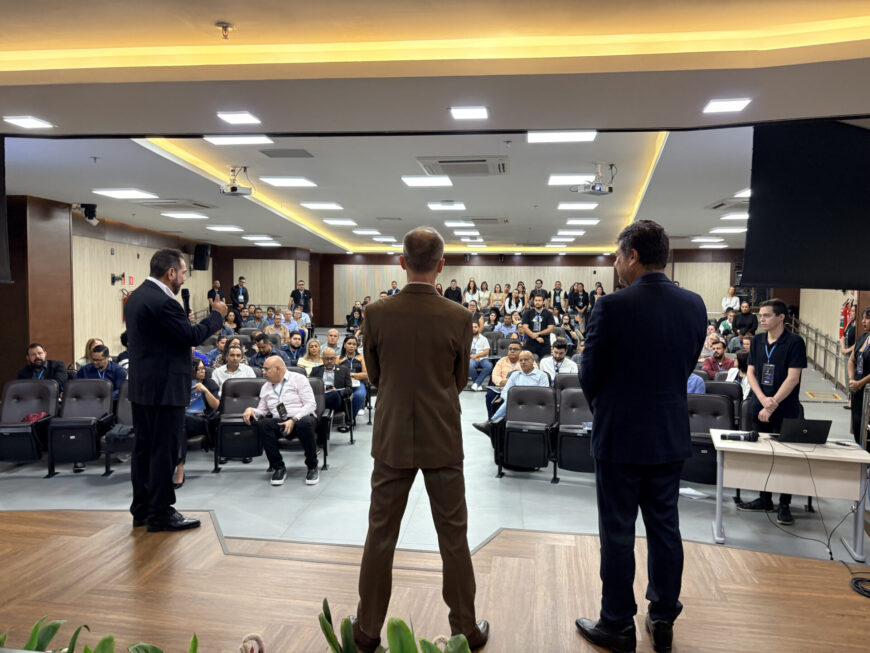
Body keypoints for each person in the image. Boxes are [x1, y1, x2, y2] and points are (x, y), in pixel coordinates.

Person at [351, 226, 488, 653]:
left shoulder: (375, 313)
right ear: (441, 265)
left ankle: (366, 631)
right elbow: (460, 378)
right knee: (453, 537)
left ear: (402, 262)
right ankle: (466, 630)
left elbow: (375, 376)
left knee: (380, 535)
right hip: (442, 435)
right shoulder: (459, 316)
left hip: (391, 436)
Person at [575, 220, 706, 653]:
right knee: (665, 527)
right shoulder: (694, 304)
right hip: (669, 433)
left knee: (617, 532)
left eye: (617, 256)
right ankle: (663, 616)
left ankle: (617, 624)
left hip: (620, 437)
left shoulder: (611, 306)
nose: (615, 264)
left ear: (632, 256)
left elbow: (589, 373)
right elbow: (686, 364)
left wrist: (608, 409)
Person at [125, 248, 226, 532]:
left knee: (144, 449)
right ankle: (161, 513)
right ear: (171, 273)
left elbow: (133, 336)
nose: (183, 278)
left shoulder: (137, 296)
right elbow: (190, 336)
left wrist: (181, 321)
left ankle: (142, 510)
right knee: (164, 451)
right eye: (182, 273)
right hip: (165, 389)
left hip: (143, 388)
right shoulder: (163, 302)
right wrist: (216, 317)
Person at [737, 298, 807, 526]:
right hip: (760, 406)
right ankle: (764, 499)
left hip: (785, 408)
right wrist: (762, 400)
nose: (762, 319)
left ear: (781, 317)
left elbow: (793, 377)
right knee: (764, 454)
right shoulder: (757, 340)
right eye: (761, 315)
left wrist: (773, 403)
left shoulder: (794, 342)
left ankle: (784, 504)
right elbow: (751, 373)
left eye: (767, 315)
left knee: (785, 457)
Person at [242, 355, 320, 486]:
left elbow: (311, 405)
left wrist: (294, 419)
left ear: (278, 368)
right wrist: (251, 409)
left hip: (300, 419)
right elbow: (262, 411)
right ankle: (278, 467)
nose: (263, 372)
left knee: (305, 422)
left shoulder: (298, 379)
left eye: (267, 369)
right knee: (263, 424)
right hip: (280, 421)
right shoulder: (266, 387)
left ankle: (312, 466)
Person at [473, 350, 549, 434]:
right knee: (509, 401)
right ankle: (493, 426)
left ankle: (491, 423)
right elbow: (505, 391)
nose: (523, 362)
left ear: (532, 360)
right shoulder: (515, 375)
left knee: (510, 402)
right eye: (521, 360)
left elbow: (544, 393)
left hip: (534, 402)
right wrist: (508, 399)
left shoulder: (542, 375)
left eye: (526, 359)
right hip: (516, 403)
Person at [181, 359, 220, 488]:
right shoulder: (181, 383)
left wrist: (205, 390)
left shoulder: (209, 383)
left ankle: (175, 469)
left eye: (204, 368)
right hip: (183, 422)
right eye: (199, 369)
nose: (203, 371)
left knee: (180, 420)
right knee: (180, 429)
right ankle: (179, 469)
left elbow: (216, 406)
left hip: (202, 421)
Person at [310, 347, 353, 429]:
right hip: (320, 395)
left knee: (334, 394)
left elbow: (349, 388)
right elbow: (310, 387)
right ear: (322, 359)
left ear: (335, 359)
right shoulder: (315, 370)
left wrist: (338, 391)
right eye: (327, 359)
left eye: (332, 359)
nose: (329, 361)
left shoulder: (344, 370)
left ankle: (315, 408)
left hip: (336, 398)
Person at [483, 341, 525, 417]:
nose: (512, 351)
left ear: (521, 351)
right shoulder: (502, 360)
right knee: (490, 395)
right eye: (510, 349)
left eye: (515, 349)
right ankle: (491, 419)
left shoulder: (526, 360)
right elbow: (495, 375)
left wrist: (510, 383)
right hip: (501, 387)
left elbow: (533, 374)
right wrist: (501, 382)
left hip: (519, 388)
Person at [848, 307, 870, 443]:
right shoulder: (862, 338)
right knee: (857, 425)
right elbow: (851, 360)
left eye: (867, 318)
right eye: (862, 318)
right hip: (857, 389)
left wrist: (861, 383)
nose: (863, 321)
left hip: (867, 388)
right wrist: (852, 380)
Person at [339, 335, 368, 420]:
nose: (351, 346)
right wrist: (351, 376)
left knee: (359, 395)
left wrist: (351, 374)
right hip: (343, 384)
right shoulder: (339, 358)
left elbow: (366, 374)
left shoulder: (361, 357)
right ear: (344, 345)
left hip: (358, 383)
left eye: (354, 344)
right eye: (349, 344)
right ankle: (344, 417)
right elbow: (337, 374)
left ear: (356, 346)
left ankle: (350, 418)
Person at [520, 294, 556, 360]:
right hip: (530, 343)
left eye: (539, 300)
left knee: (544, 362)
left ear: (543, 302)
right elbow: (525, 327)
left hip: (544, 343)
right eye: (536, 300)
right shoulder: (527, 313)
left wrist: (538, 333)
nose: (537, 302)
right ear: (533, 301)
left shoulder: (548, 314)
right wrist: (535, 337)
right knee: (528, 361)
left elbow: (551, 328)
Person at [468, 322, 492, 392]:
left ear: (478, 328)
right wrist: (473, 357)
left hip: (483, 358)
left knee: (489, 366)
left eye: (475, 327)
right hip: (472, 358)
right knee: (470, 365)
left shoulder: (484, 339)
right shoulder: (466, 339)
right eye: (472, 327)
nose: (473, 328)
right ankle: (477, 384)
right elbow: (464, 351)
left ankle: (476, 383)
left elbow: (487, 351)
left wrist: (477, 355)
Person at [841, 306, 857, 409]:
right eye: (850, 311)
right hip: (846, 354)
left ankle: (852, 401)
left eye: (853, 311)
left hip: (852, 354)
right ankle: (849, 399)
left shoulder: (858, 327)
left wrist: (848, 350)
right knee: (847, 377)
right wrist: (843, 348)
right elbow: (843, 337)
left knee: (852, 377)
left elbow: (858, 342)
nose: (851, 313)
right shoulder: (849, 324)